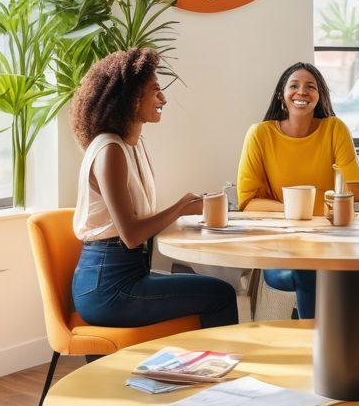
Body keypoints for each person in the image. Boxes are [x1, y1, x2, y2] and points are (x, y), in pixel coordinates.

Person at [70, 47, 238, 328]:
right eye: (155, 90)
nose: (163, 99)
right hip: (107, 289)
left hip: (128, 275)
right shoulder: (110, 150)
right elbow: (131, 235)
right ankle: (211, 358)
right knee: (220, 294)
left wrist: (188, 209)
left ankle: (195, 358)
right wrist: (181, 207)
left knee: (204, 284)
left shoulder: (132, 145)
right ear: (130, 97)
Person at [237, 62, 359, 318]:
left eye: (311, 87)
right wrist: (301, 210)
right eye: (294, 85)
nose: (302, 92)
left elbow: (357, 194)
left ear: (319, 96)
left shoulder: (334, 129)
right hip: (282, 246)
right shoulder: (260, 135)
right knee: (309, 270)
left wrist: (303, 210)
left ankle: (333, 335)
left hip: (332, 243)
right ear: (281, 95)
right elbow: (248, 202)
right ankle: (315, 337)